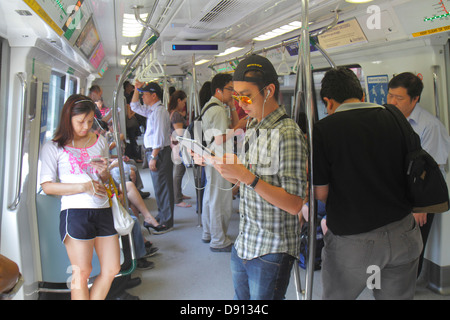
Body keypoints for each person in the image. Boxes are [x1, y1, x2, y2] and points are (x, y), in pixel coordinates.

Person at [313, 67, 423, 300]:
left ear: (328, 102)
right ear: (362, 95)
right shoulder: (396, 118)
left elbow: (321, 193)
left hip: (353, 242)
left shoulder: (324, 130)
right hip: (404, 233)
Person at [211, 55, 308, 299]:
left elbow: (295, 204)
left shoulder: (288, 133)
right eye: (236, 97)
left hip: (271, 249)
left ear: (269, 91)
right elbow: (246, 178)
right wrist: (216, 163)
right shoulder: (254, 125)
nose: (241, 104)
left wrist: (246, 176)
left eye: (246, 95)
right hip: (245, 241)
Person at [39, 94, 121, 300]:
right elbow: (47, 186)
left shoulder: (100, 141)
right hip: (74, 212)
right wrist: (84, 186)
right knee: (81, 272)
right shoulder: (54, 147)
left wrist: (103, 173)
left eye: (89, 120)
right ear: (68, 119)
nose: (85, 126)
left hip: (103, 208)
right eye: (80, 121)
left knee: (112, 268)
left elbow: (105, 179)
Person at [387, 72, 450, 277]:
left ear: (415, 99)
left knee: (413, 248)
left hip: (419, 198)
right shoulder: (388, 119)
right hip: (397, 193)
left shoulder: (430, 126)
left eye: (399, 98)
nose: (392, 102)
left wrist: (420, 206)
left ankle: (408, 287)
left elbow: (428, 170)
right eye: (390, 96)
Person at [200, 73, 239, 252]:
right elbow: (221, 138)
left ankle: (209, 232)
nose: (233, 93)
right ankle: (218, 240)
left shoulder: (211, 106)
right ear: (219, 90)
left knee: (210, 195)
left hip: (211, 157)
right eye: (230, 89)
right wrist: (239, 129)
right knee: (219, 199)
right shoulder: (218, 110)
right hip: (220, 157)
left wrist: (231, 107)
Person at [130, 81, 174, 232]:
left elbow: (160, 137)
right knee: (159, 187)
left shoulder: (160, 112)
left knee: (163, 187)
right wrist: (136, 89)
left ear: (154, 96)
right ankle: (162, 216)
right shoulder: (152, 110)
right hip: (156, 152)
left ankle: (167, 221)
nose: (142, 97)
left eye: (144, 94)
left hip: (159, 152)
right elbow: (134, 106)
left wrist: (153, 157)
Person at [168, 90, 192, 208]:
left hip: (175, 144)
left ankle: (179, 194)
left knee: (179, 171)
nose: (184, 105)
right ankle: (177, 199)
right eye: (184, 102)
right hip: (179, 145)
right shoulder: (176, 115)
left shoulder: (173, 113)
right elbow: (179, 133)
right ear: (178, 100)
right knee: (178, 171)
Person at [123, 81, 142, 162]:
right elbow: (129, 115)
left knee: (133, 140)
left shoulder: (127, 100)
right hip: (131, 125)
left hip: (132, 126)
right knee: (133, 141)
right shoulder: (127, 103)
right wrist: (135, 111)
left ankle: (136, 156)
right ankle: (137, 156)